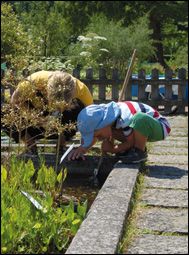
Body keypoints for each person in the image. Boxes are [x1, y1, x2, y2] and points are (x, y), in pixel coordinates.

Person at [2, 70, 93, 154]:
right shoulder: (31, 83)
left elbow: (93, 125)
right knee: (4, 112)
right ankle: (30, 145)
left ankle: (61, 145)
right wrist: (35, 118)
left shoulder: (82, 92)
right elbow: (14, 103)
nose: (57, 107)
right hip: (34, 123)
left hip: (61, 127)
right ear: (47, 90)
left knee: (78, 108)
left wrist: (82, 149)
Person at [67, 101, 171, 163]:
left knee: (140, 118)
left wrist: (113, 150)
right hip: (141, 129)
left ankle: (139, 152)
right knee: (113, 131)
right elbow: (95, 136)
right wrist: (82, 149)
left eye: (98, 135)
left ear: (103, 124)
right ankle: (132, 150)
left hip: (160, 127)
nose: (98, 138)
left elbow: (130, 142)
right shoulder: (108, 120)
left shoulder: (123, 118)